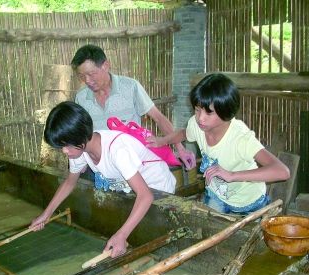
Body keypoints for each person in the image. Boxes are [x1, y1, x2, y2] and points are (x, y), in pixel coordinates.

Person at [30, 101, 176, 257]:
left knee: (154, 237)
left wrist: (122, 235)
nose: (64, 151)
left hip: (157, 187)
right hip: (134, 189)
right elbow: (69, 182)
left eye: (66, 146)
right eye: (61, 147)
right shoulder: (79, 149)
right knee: (131, 231)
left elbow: (146, 196)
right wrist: (46, 214)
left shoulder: (117, 150)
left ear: (80, 136)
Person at [147, 73, 290, 214]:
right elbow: (184, 133)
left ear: (226, 112)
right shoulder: (196, 126)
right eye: (197, 110)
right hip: (216, 196)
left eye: (209, 113)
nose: (200, 118)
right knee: (213, 231)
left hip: (250, 203)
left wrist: (232, 175)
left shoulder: (240, 138)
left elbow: (282, 171)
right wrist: (162, 141)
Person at [71, 44, 195, 170]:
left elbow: (159, 118)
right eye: (82, 76)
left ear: (106, 66)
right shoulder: (81, 98)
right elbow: (79, 133)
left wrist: (180, 149)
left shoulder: (130, 87)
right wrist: (80, 159)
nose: (87, 80)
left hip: (132, 163)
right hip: (100, 165)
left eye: (91, 74)